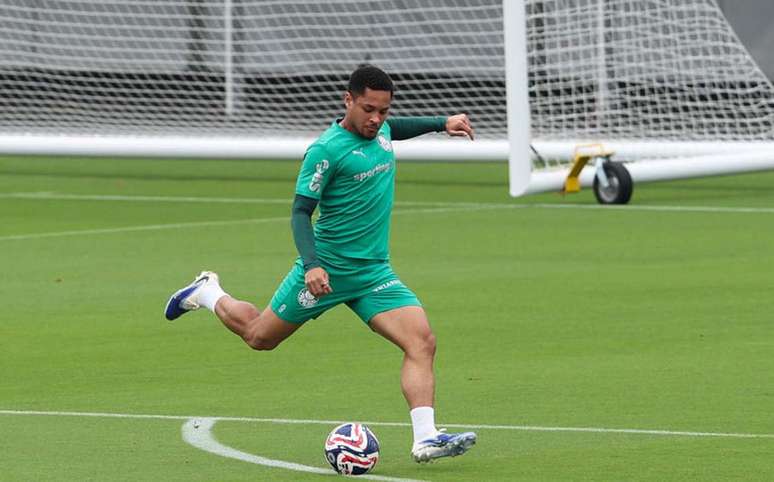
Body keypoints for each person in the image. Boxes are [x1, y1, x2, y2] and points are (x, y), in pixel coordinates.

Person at [164, 64, 476, 463]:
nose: (377, 119)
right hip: (324, 273)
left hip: (373, 274)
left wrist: (440, 123)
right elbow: (299, 212)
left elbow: (394, 129)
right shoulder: (326, 151)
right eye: (368, 109)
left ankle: (426, 437)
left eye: (383, 110)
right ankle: (207, 292)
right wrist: (311, 265)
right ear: (348, 100)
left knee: (421, 341)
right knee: (260, 337)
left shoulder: (380, 129)